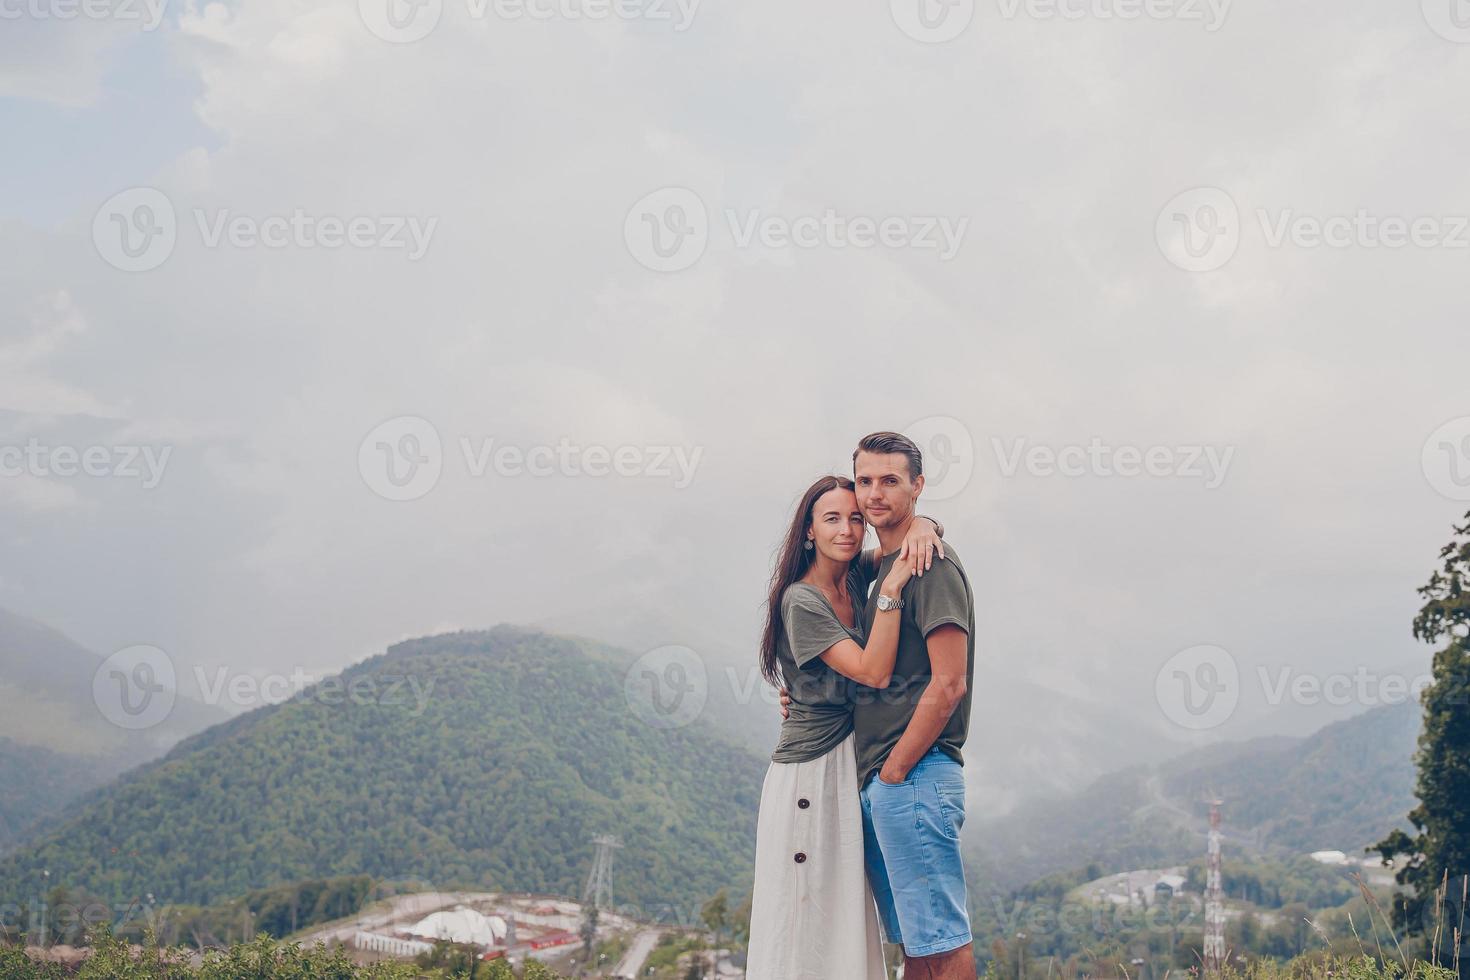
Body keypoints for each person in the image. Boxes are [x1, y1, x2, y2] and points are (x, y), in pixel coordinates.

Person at [781, 432, 977, 979]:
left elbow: (949, 684)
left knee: (943, 941)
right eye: (865, 480)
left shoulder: (929, 567)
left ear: (917, 486)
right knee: (917, 946)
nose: (874, 494)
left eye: (890, 480)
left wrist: (893, 774)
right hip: (879, 780)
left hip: (911, 773)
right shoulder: (878, 567)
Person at [745, 474, 943, 980]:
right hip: (809, 774)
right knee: (805, 914)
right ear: (808, 530)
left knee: (845, 912)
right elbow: (873, 673)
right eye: (832, 518)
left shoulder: (854, 576)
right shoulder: (802, 600)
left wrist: (924, 523)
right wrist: (894, 590)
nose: (849, 529)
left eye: (855, 517)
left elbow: (908, 536)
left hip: (851, 763)